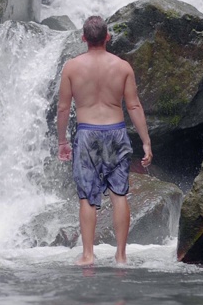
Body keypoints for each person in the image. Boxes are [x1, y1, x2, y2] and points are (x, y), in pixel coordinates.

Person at [56, 15, 152, 266]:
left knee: (87, 197)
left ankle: (88, 255)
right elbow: (134, 105)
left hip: (87, 133)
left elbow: (64, 109)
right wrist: (146, 142)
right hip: (116, 131)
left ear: (83, 38)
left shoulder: (72, 67)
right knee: (119, 194)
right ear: (108, 37)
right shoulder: (122, 67)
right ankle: (121, 255)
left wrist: (62, 142)